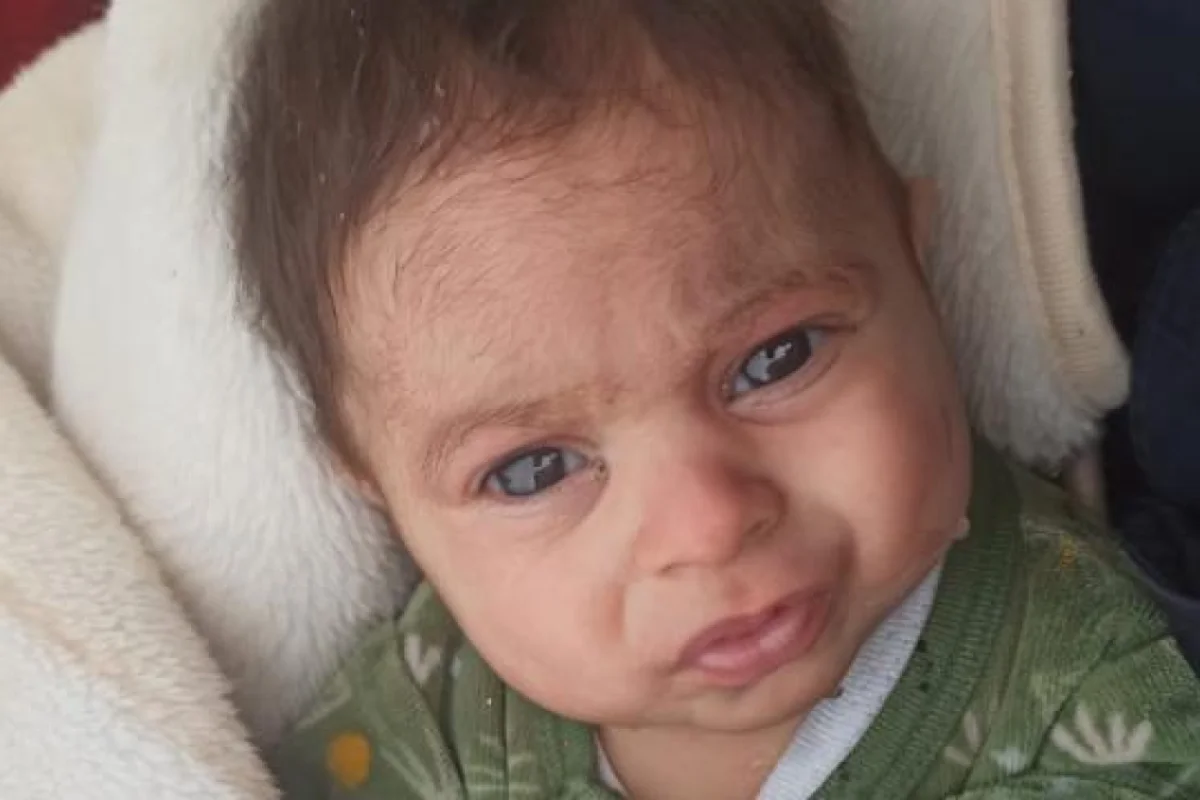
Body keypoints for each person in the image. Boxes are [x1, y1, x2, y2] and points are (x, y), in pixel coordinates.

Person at [229, 1, 1200, 796]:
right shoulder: (434, 710)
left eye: (775, 360)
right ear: (385, 496)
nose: (707, 524)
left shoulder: (1096, 693)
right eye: (534, 469)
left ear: (916, 260)